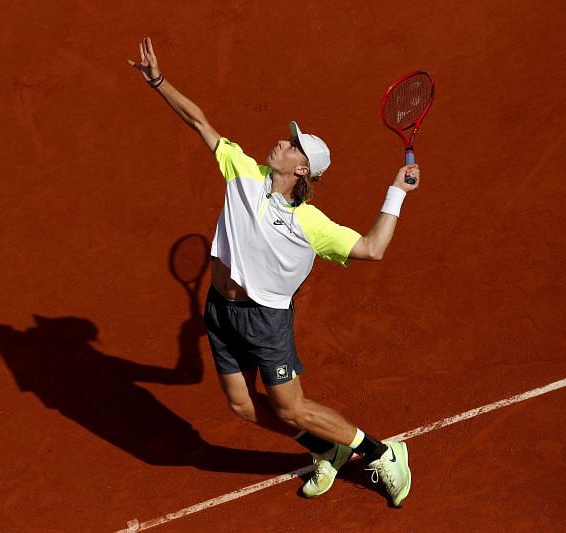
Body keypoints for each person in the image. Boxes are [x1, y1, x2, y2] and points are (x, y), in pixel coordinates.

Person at [128, 37, 418, 507]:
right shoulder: (242, 170)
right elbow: (198, 121)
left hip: (265, 319)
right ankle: (328, 448)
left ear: (301, 168)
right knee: (243, 405)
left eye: (291, 144)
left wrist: (396, 191)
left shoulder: (311, 224)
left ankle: (382, 453)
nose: (281, 140)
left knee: (290, 406)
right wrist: (158, 81)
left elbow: (371, 248)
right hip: (220, 309)